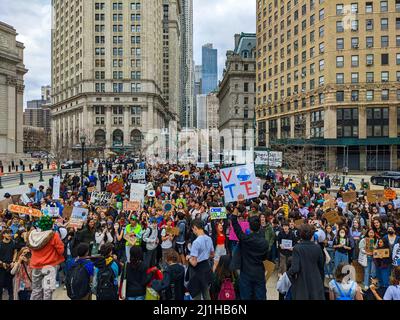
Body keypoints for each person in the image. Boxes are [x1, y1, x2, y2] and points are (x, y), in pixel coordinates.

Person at [230, 210, 268, 300]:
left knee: (246, 297)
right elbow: (264, 257)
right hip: (259, 272)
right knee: (260, 297)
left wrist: (237, 208)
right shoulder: (264, 243)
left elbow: (235, 225)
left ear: (249, 227)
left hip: (246, 272)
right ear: (259, 227)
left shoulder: (245, 239)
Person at [27, 216, 65, 300]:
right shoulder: (53, 235)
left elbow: (30, 249)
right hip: (49, 266)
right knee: (48, 290)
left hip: (36, 266)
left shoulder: (32, 235)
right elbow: (61, 250)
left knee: (36, 290)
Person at [287, 224, 325, 300]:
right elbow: (321, 265)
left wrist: (287, 274)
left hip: (302, 282)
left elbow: (295, 268)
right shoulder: (317, 247)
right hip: (316, 281)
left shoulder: (297, 248)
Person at [186, 219, 214, 300]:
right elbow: (212, 255)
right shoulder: (209, 238)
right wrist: (204, 256)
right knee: (206, 292)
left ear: (195, 228)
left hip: (197, 270)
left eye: (192, 229)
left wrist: (188, 258)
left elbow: (194, 263)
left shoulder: (196, 242)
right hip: (206, 267)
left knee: (196, 294)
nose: (193, 231)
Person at [0, 229, 17, 300]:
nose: (9, 235)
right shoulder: (0, 244)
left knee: (10, 284)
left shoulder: (13, 243)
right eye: (7, 233)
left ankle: (11, 298)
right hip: (1, 266)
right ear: (3, 234)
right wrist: (1, 263)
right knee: (0, 284)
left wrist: (13, 261)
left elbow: (15, 252)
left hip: (10, 266)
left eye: (10, 233)